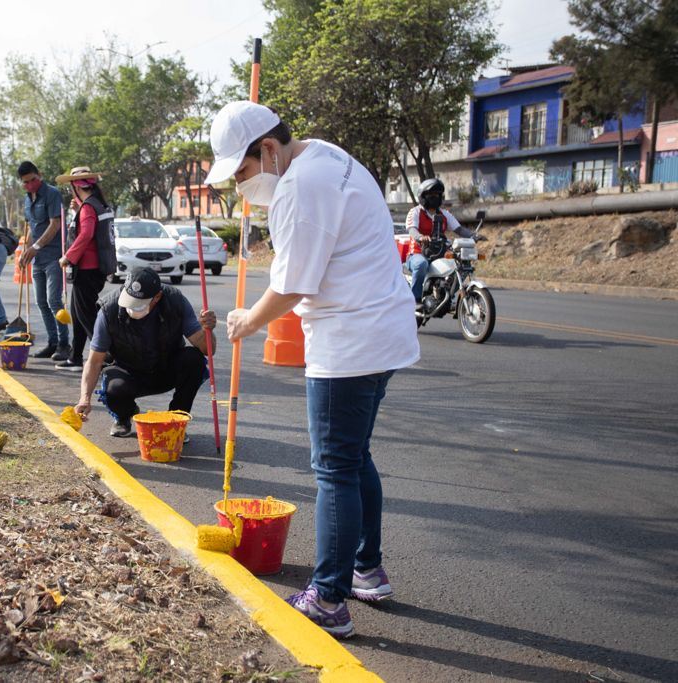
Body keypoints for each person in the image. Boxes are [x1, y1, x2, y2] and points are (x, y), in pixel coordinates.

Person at [206, 101, 419, 638]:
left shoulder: (300, 188)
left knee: (334, 470)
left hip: (348, 342)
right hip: (382, 332)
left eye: (243, 172)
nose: (240, 188)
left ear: (269, 150)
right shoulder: (326, 155)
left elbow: (295, 284)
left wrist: (246, 322)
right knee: (354, 457)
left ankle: (328, 597)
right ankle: (366, 570)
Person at [73, 268, 217, 438]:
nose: (132, 308)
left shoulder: (175, 301)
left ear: (157, 298)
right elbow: (94, 361)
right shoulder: (108, 310)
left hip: (165, 368)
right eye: (129, 301)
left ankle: (176, 420)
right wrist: (85, 398)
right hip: (128, 371)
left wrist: (207, 330)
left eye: (139, 304)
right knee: (114, 388)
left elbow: (208, 350)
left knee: (194, 360)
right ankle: (124, 416)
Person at [54, 166, 117, 372]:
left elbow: (86, 234)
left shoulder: (89, 207)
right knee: (78, 313)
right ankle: (75, 357)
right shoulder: (96, 204)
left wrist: (68, 257)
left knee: (88, 316)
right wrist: (77, 209)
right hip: (95, 268)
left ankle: (109, 356)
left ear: (75, 186)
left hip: (87, 269)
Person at [17, 161, 69, 361]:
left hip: (54, 256)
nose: (30, 185)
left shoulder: (52, 194)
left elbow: (55, 224)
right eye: (26, 183)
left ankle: (65, 344)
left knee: (54, 300)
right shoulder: (27, 199)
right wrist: (25, 250)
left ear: (39, 175)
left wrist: (36, 247)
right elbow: (32, 227)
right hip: (37, 259)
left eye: (33, 180)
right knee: (41, 302)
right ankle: (53, 342)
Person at [404, 178, 477, 304]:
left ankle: (447, 295)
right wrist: (421, 237)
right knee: (421, 264)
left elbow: (459, 229)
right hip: (417, 253)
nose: (435, 197)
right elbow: (412, 230)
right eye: (431, 195)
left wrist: (474, 235)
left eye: (437, 195)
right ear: (423, 196)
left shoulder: (444, 214)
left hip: (439, 252)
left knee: (462, 264)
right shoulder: (415, 212)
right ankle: (415, 300)